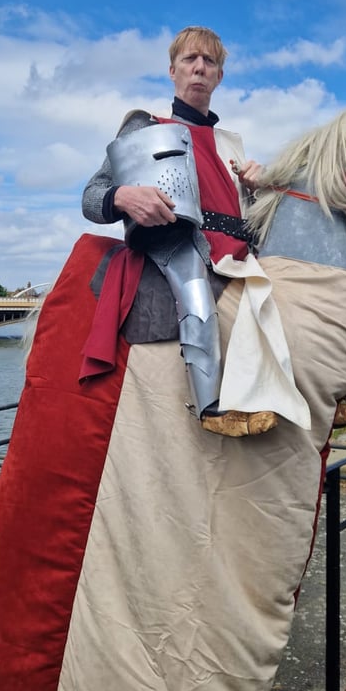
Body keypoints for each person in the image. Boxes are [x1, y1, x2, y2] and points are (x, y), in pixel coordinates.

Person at [82, 24, 291, 437]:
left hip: (237, 249)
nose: (199, 67)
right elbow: (92, 195)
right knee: (195, 290)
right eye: (189, 59)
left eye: (208, 61)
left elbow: (249, 219)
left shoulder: (231, 146)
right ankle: (210, 406)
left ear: (219, 76)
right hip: (177, 239)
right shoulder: (146, 126)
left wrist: (259, 190)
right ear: (173, 71)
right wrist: (124, 196)